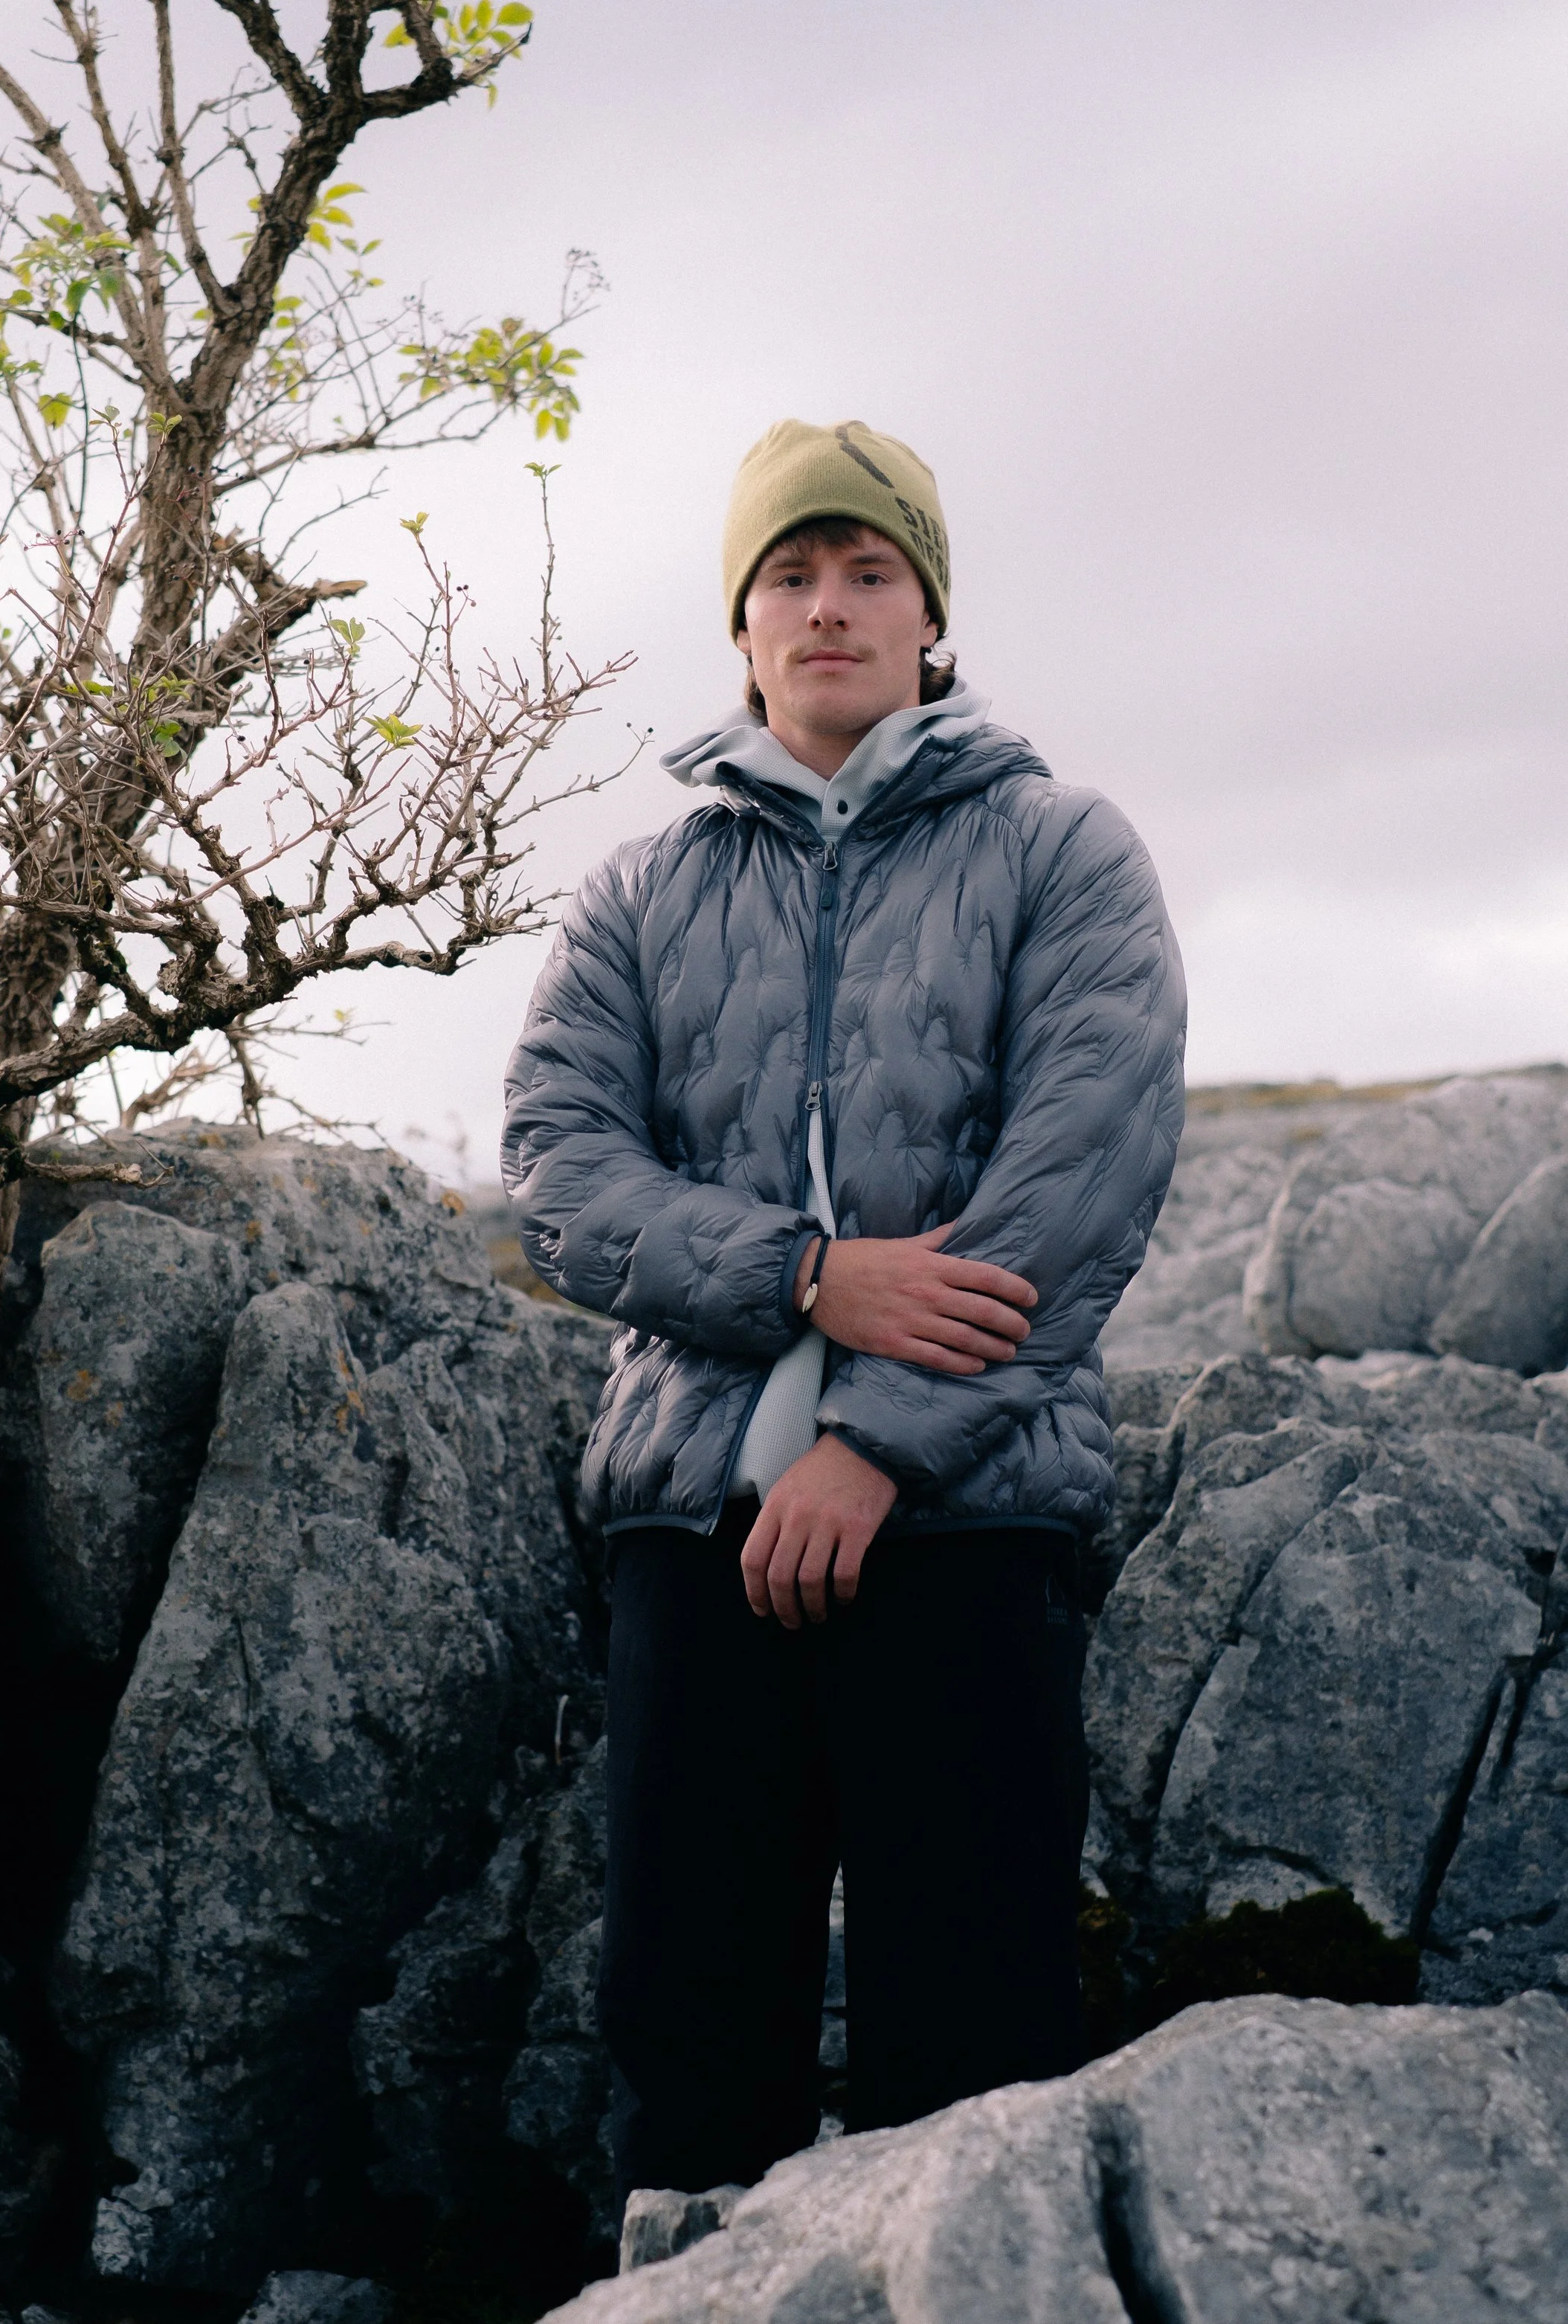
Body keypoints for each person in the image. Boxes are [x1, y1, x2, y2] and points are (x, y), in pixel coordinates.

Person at [501, 418, 1185, 2205]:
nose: (827, 605)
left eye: (867, 571)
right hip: (689, 1519)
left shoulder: (1062, 849)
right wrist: (806, 1276)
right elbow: (560, 1175)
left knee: (971, 2062)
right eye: (787, 575)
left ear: (928, 616)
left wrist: (873, 1438)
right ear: (739, 625)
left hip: (964, 1516)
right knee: (683, 2043)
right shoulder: (636, 894)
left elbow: (1081, 1176)